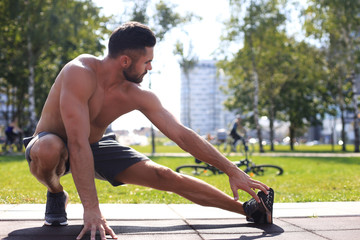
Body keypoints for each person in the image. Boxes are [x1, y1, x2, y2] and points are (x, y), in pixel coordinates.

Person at [23, 22, 274, 240]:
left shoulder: (137, 95)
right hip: (54, 143)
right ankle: (56, 193)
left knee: (164, 175)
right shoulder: (79, 73)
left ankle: (249, 210)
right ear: (125, 61)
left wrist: (231, 169)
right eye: (147, 62)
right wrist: (92, 209)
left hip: (94, 146)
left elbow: (181, 134)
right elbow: (75, 143)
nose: (150, 68)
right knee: (49, 149)